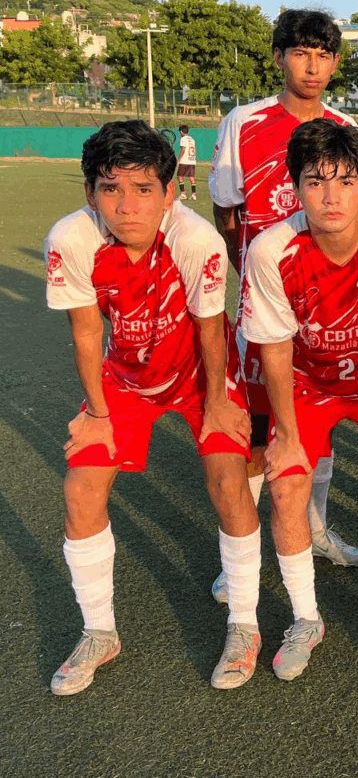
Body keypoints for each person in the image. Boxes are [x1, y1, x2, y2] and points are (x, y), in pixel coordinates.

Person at [44, 121, 260, 694]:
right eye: (111, 189)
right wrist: (98, 414)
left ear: (169, 194)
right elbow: (86, 332)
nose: (127, 205)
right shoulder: (72, 238)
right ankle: (99, 632)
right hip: (126, 375)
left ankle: (245, 624)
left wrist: (218, 403)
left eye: (143, 189)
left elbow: (211, 329)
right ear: (90, 192)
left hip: (198, 373)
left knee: (228, 479)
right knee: (80, 488)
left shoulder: (196, 239)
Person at [241, 119, 358, 680]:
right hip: (308, 385)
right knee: (286, 483)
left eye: (345, 181)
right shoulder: (271, 249)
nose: (331, 196)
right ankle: (306, 618)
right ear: (295, 186)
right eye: (316, 181)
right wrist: (287, 435)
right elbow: (275, 348)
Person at [208, 10, 358, 605]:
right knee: (253, 431)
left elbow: (349, 217)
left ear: (335, 63)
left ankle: (315, 528)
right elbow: (228, 213)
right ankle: (241, 555)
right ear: (279, 58)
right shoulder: (243, 123)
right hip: (264, 308)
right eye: (300, 52)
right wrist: (254, 275)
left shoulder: (345, 126)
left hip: (325, 310)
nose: (312, 66)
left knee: (316, 425)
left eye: (323, 55)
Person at [177, 124, 197, 201]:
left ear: (181, 131)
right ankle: (193, 195)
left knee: (180, 177)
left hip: (184, 161)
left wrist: (179, 160)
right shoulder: (192, 139)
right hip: (192, 160)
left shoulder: (183, 139)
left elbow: (183, 149)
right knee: (192, 178)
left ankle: (183, 194)